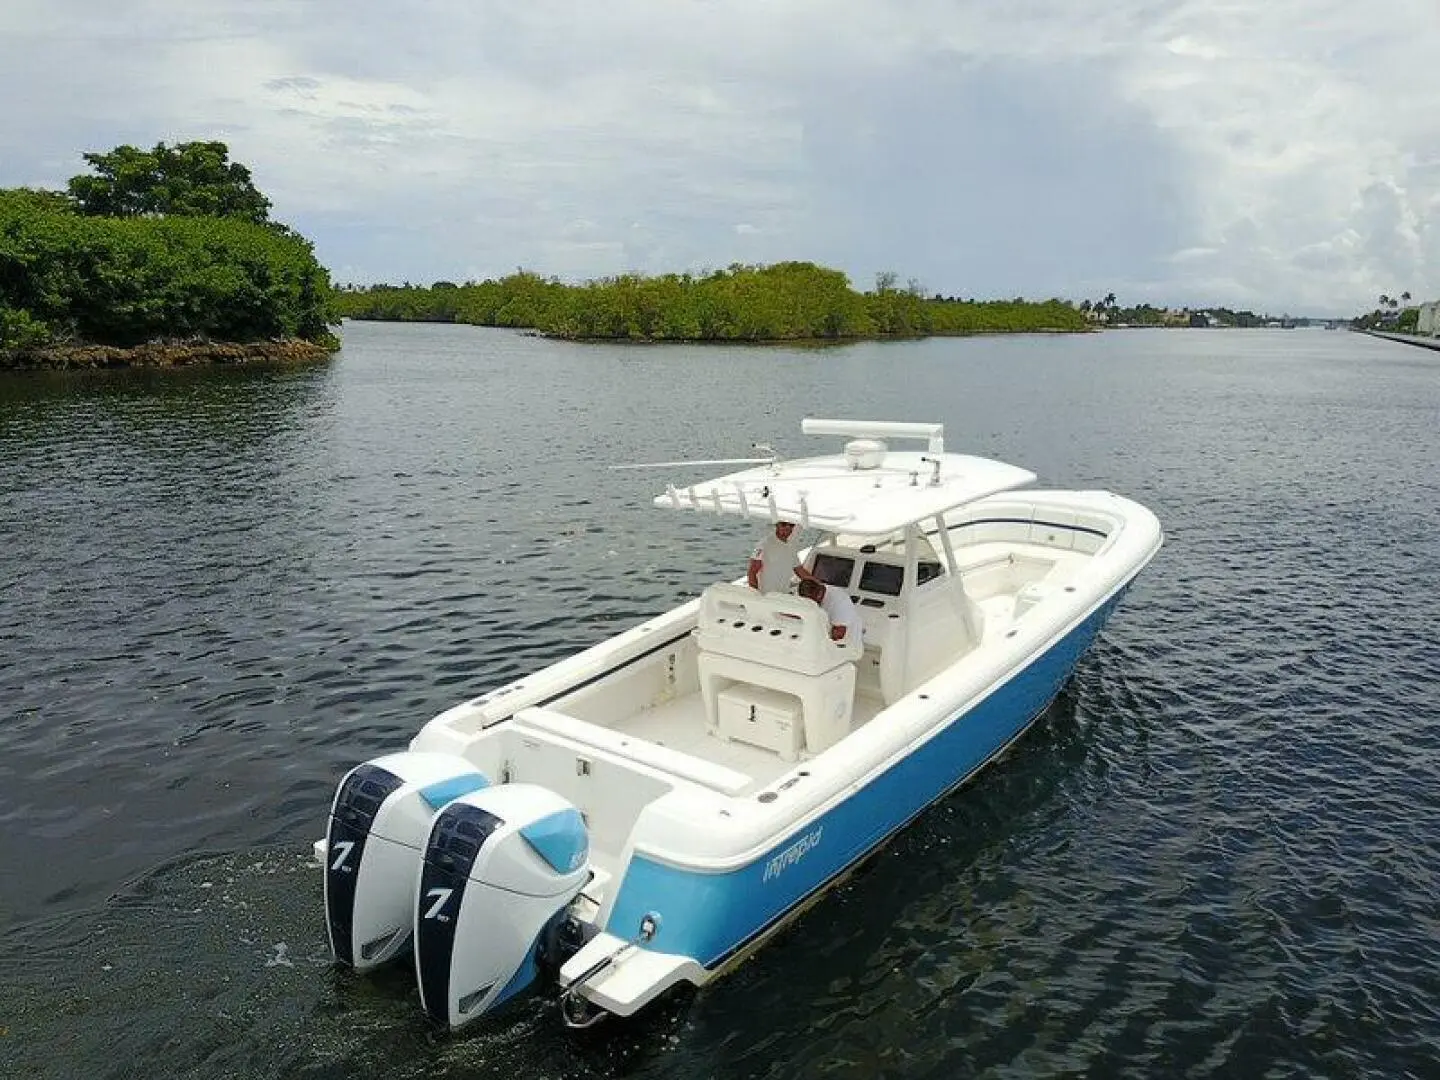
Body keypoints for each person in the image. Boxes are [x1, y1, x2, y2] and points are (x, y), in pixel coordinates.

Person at [747, 521, 817, 594]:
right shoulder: (764, 544)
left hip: (783, 595)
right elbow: (752, 572)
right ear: (777, 524)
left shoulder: (791, 546)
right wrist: (756, 595)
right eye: (783, 524)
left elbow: (799, 570)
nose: (787, 527)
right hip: (766, 596)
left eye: (791, 525)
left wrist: (819, 584)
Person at [798, 578, 864, 644]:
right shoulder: (821, 590)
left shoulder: (838, 603)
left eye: (810, 600)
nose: (809, 603)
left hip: (846, 642)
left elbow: (838, 635)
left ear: (818, 595)